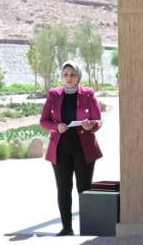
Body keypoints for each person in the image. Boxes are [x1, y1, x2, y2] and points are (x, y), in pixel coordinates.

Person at [40, 60, 103, 235]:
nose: (69, 78)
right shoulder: (54, 94)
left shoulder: (88, 94)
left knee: (84, 189)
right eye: (65, 75)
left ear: (78, 76)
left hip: (84, 149)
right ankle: (66, 228)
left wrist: (91, 125)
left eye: (73, 74)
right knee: (63, 188)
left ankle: (87, 228)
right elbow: (43, 121)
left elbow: (98, 120)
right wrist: (56, 127)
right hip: (60, 150)